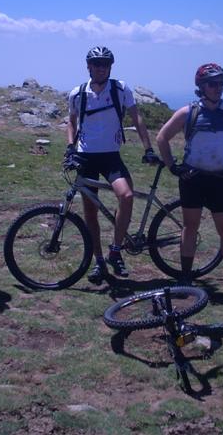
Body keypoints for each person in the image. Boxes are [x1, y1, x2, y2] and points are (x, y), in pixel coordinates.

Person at [155, 63, 223, 293]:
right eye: (212, 84)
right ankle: (186, 276)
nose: (218, 87)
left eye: (221, 83)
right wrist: (173, 167)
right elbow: (162, 137)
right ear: (201, 86)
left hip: (220, 180)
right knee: (190, 227)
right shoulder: (188, 112)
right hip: (193, 179)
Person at [66, 46, 159, 284]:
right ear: (88, 66)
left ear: (110, 67)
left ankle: (115, 251)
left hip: (111, 156)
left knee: (126, 196)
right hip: (86, 157)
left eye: (105, 64)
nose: (101, 68)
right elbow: (72, 122)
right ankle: (98, 262)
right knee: (90, 212)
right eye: (96, 64)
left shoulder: (120, 89)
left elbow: (137, 118)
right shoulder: (78, 93)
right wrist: (70, 147)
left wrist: (148, 148)